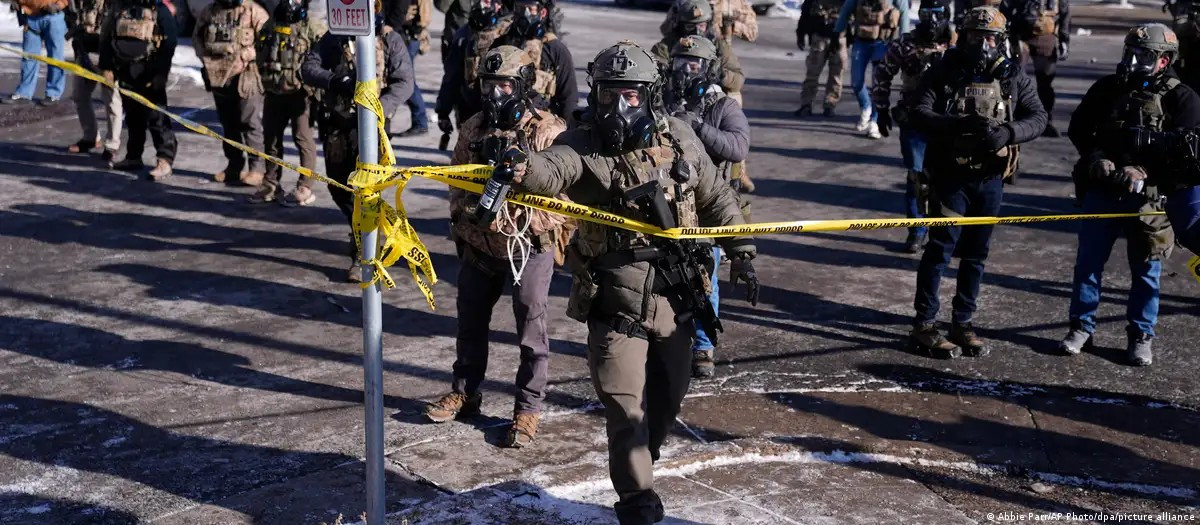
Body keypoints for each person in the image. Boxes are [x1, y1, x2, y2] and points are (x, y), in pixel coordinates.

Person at [506, 40, 759, 524]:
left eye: (632, 97)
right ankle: (637, 500)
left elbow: (717, 197)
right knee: (625, 412)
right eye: (608, 96)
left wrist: (743, 253)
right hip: (616, 303)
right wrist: (521, 167)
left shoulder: (681, 137)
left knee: (664, 406)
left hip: (677, 297)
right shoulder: (582, 145)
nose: (619, 108)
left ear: (652, 96)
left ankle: (646, 456)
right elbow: (551, 169)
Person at [424, 46, 569, 449]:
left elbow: (567, 204)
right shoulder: (473, 128)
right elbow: (455, 184)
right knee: (469, 323)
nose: (496, 94)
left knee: (530, 330)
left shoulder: (547, 131)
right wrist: (471, 216)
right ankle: (465, 392)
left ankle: (527, 410)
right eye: (490, 85)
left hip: (529, 248)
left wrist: (519, 199)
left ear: (523, 86)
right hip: (480, 247)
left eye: (505, 84)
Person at [907, 7, 1046, 358]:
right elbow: (919, 111)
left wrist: (1007, 133)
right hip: (951, 177)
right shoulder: (942, 70)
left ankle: (963, 322)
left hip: (990, 179)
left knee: (976, 255)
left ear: (1000, 41)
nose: (983, 44)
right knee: (940, 250)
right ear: (962, 36)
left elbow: (1038, 117)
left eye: (990, 38)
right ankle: (924, 324)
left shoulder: (1012, 75)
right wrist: (953, 124)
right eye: (975, 36)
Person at [1061, 24, 1200, 366]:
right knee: (1088, 265)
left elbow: (1190, 157)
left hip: (1151, 199)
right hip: (1103, 192)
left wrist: (1146, 171)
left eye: (1143, 56)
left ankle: (1141, 334)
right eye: (1129, 52)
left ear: (1164, 62)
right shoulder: (1108, 88)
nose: (1132, 61)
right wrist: (1096, 160)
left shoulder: (1183, 98)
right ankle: (1081, 327)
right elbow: (1079, 128)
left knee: (1146, 271)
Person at [301, 4, 414, 282]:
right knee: (338, 186)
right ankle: (361, 232)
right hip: (338, 125)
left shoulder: (389, 39)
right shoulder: (334, 37)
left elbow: (404, 83)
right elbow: (308, 67)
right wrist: (335, 81)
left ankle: (363, 251)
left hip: (372, 128)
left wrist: (378, 107)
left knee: (363, 191)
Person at [664, 35, 750, 379]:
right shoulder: (664, 100)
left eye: (694, 64)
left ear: (709, 67)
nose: (687, 71)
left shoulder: (724, 106)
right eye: (681, 63)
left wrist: (696, 127)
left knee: (704, 276)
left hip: (707, 207)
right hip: (666, 203)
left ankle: (703, 346)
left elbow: (738, 146)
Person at [871, 0, 954, 253]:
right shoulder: (905, 43)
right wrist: (882, 110)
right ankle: (917, 230)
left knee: (948, 178)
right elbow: (883, 73)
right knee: (917, 177)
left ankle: (944, 232)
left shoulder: (957, 43)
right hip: (914, 119)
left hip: (949, 122)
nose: (931, 19)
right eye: (926, 13)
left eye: (937, 14)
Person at [248, 0, 325, 206]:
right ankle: (271, 183)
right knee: (271, 139)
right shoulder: (272, 23)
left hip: (301, 94)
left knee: (302, 138)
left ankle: (305, 185)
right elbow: (260, 46)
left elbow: (324, 55)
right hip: (274, 91)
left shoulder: (311, 25)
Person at [98, 0, 177, 180]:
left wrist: (160, 74)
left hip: (150, 72)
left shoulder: (160, 10)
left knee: (157, 118)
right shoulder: (119, 8)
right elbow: (106, 36)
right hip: (125, 71)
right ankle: (133, 157)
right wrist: (106, 67)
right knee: (133, 117)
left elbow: (169, 43)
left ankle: (164, 160)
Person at [194, 0, 269, 186]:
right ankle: (234, 166)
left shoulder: (253, 11)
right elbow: (197, 37)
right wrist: (206, 58)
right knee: (228, 124)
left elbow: (268, 40)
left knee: (249, 121)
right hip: (218, 75)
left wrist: (249, 54)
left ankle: (257, 168)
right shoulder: (210, 11)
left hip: (247, 76)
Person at [489, 0, 577, 122]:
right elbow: (484, 86)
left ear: (542, 12)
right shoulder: (501, 45)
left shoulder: (555, 50)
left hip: (541, 127)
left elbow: (569, 98)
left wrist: (566, 134)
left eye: (531, 9)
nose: (524, 13)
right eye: (520, 8)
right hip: (502, 122)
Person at [832, 0, 909, 139]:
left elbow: (904, 12)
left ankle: (874, 122)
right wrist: (837, 32)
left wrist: (905, 38)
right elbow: (846, 10)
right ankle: (866, 107)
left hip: (882, 43)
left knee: (877, 84)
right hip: (861, 42)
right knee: (856, 82)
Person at [436, 0, 512, 140]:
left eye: (490, 1)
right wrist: (443, 111)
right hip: (470, 111)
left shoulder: (509, 33)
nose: (485, 5)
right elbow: (452, 75)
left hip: (501, 113)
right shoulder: (465, 34)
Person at [650, 0, 744, 104]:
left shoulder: (719, 45)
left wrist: (720, 74)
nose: (697, 31)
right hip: (675, 94)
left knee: (734, 95)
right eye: (690, 26)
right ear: (681, 25)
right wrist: (671, 71)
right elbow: (653, 70)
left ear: (708, 24)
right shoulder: (667, 45)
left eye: (701, 26)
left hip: (708, 95)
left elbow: (738, 79)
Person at [65, 0, 123, 164]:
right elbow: (72, 17)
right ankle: (91, 137)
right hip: (83, 53)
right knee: (79, 95)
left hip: (107, 55)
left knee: (111, 100)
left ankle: (112, 145)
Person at [1008, 0, 1069, 137]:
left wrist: (1064, 39)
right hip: (1021, 37)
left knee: (1045, 81)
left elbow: (1065, 13)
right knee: (1014, 79)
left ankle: (1045, 121)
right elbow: (1007, 7)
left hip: (1047, 38)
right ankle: (1014, 119)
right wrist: (1007, 35)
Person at [385, 0, 434, 137]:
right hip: (405, 36)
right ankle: (419, 121)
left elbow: (399, 15)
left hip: (407, 37)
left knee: (406, 82)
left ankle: (420, 122)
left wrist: (389, 27)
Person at [9, 0, 68, 105]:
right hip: (30, 17)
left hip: (53, 16)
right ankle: (24, 93)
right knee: (28, 57)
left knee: (55, 57)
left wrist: (59, 4)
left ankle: (53, 94)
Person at [795, 0, 847, 118]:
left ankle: (830, 104)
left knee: (836, 74)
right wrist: (800, 34)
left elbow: (853, 14)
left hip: (839, 38)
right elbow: (806, 12)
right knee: (812, 73)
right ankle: (806, 104)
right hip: (819, 36)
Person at [659, 0, 758, 45]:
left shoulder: (734, 3)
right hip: (685, 54)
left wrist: (732, 25)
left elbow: (752, 34)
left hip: (718, 55)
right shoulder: (687, 3)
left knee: (734, 82)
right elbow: (665, 29)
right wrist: (678, 20)